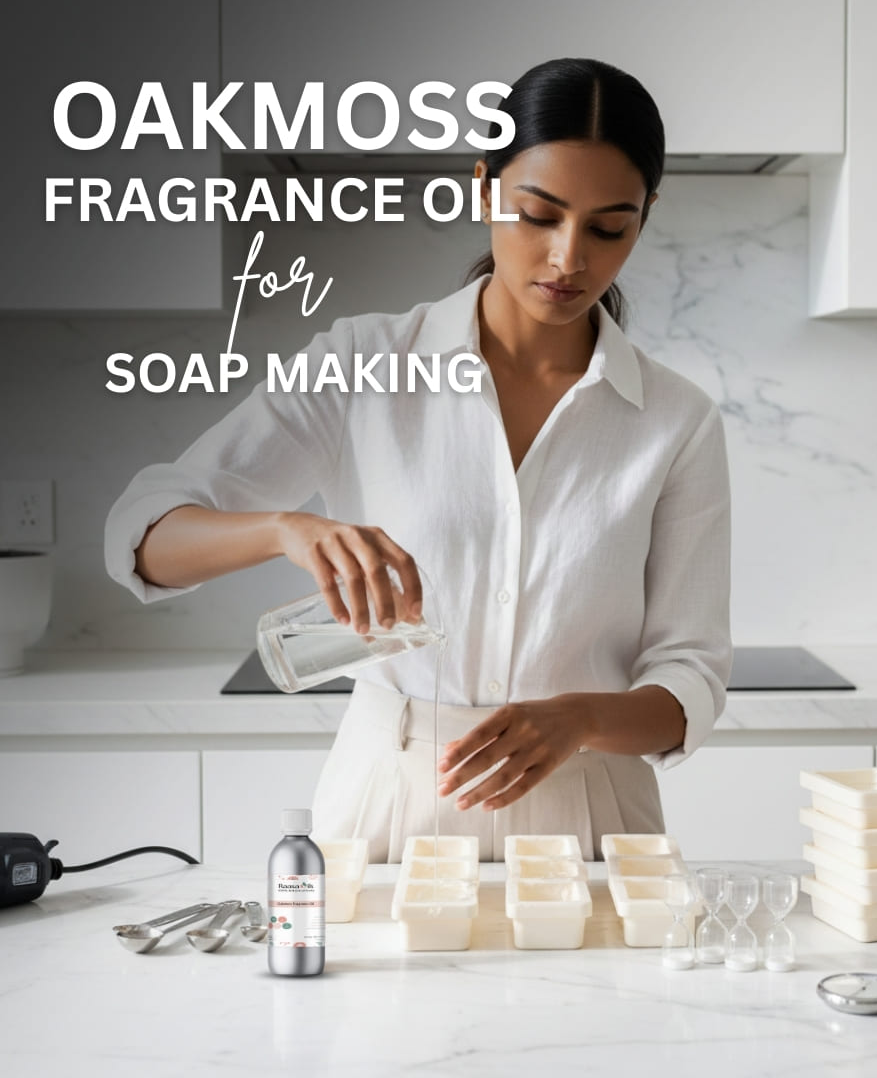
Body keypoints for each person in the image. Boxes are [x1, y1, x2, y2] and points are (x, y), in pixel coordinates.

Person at [105, 57, 732, 862]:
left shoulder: (675, 421)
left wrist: (581, 718)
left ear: (643, 218)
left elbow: (692, 680)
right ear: (482, 188)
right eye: (538, 214)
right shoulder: (364, 362)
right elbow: (144, 536)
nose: (568, 257)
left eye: (609, 228)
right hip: (388, 803)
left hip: (592, 815)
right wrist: (286, 529)